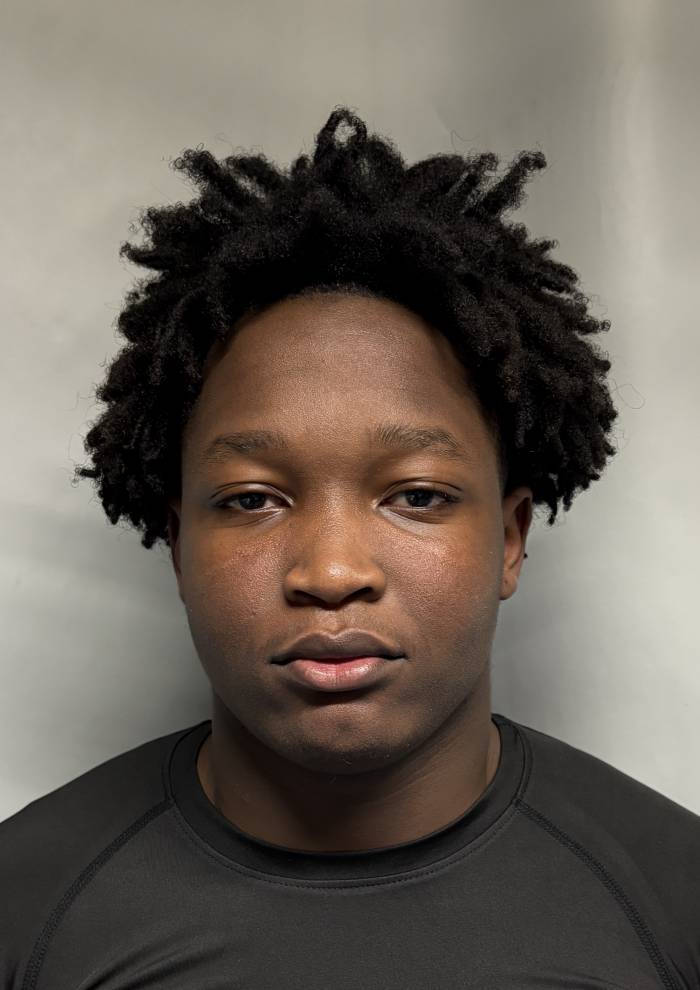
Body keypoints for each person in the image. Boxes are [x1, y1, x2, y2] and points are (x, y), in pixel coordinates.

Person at [1, 106, 698, 989]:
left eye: (416, 496)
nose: (331, 574)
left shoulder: (673, 903)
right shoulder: (26, 908)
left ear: (510, 539)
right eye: (253, 500)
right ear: (178, 546)